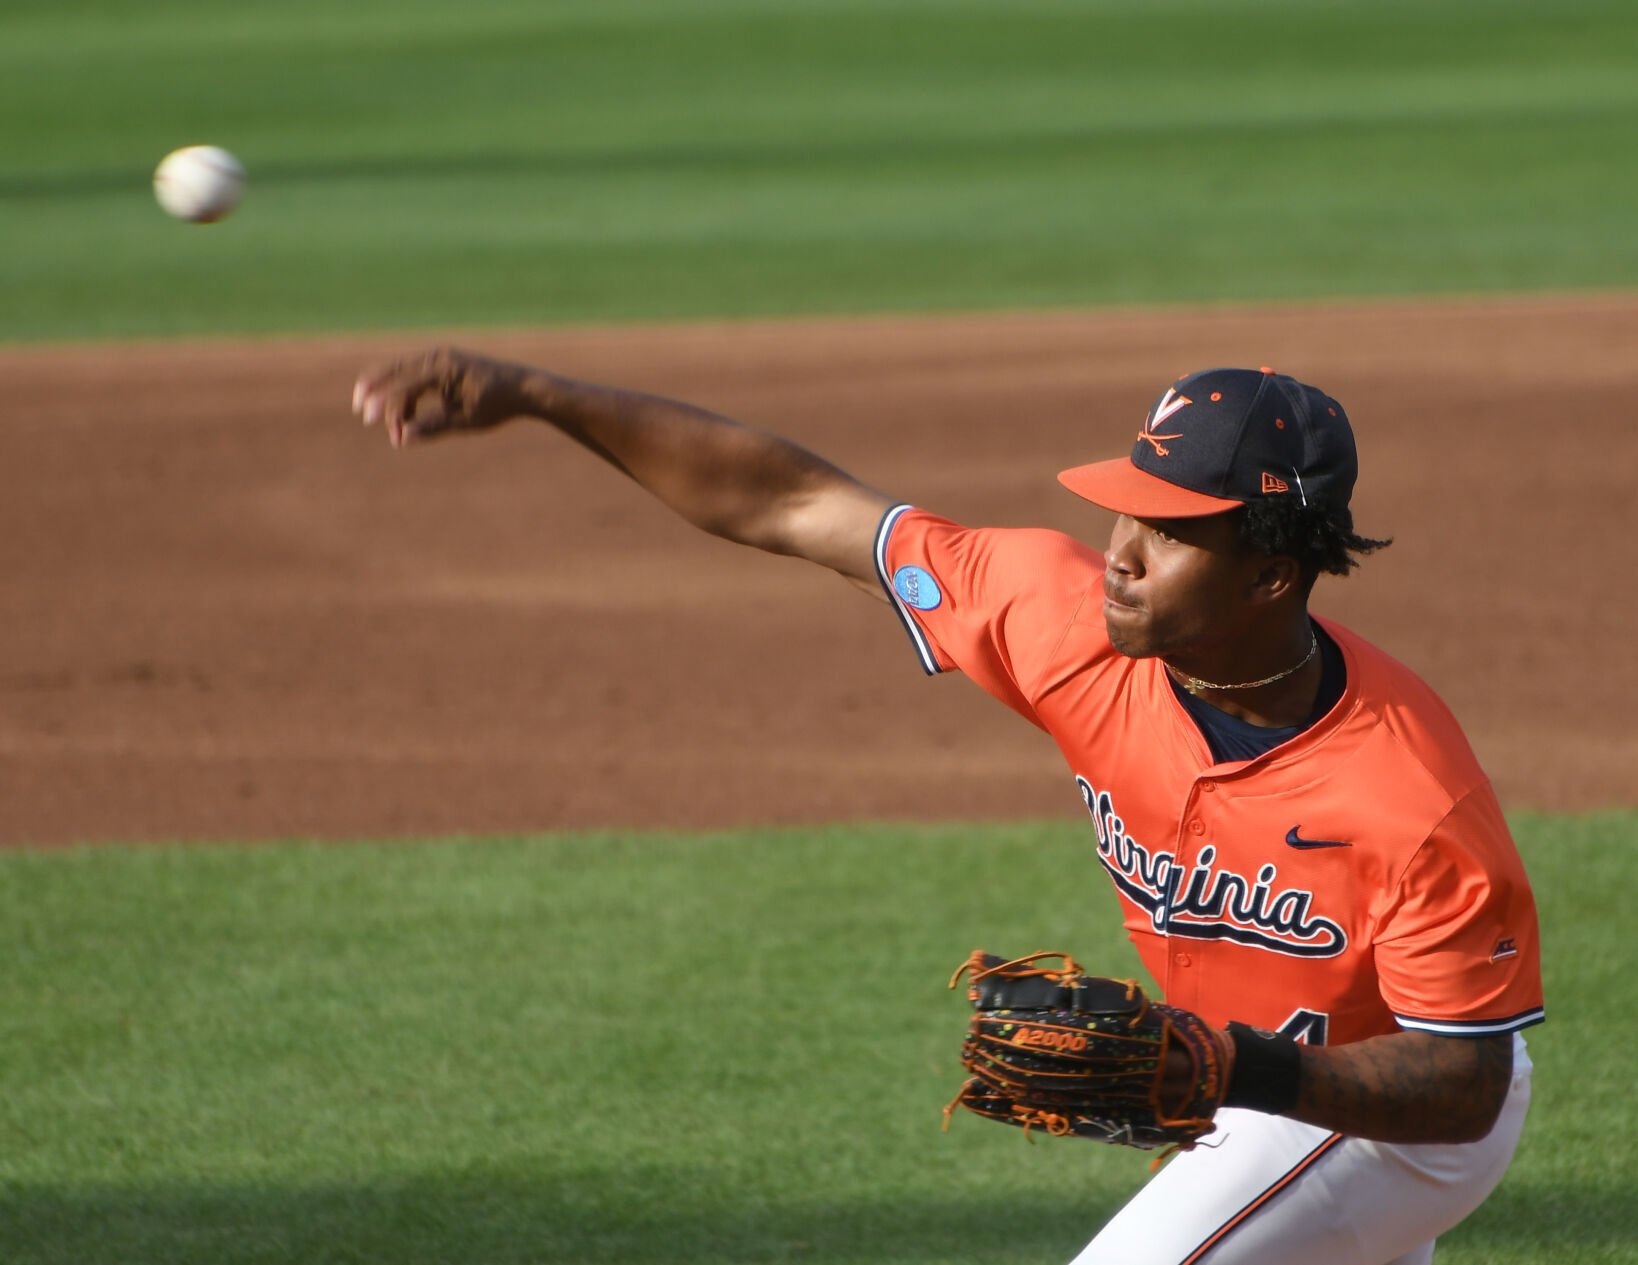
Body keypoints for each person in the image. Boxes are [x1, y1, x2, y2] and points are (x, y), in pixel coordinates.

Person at [352, 350, 1543, 1265]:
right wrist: (540, 393)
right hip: (1245, 1083)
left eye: (1171, 531)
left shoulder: (1411, 800)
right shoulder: (1056, 613)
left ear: (1273, 574)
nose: (1122, 549)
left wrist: (1224, 1065)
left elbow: (1465, 1086)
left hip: (1391, 1108)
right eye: (1128, 508)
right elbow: (793, 503)